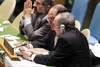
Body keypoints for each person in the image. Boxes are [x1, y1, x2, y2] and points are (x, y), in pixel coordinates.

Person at [19, 12, 92, 67]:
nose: (53, 28)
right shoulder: (74, 32)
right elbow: (59, 54)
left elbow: (52, 60)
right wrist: (43, 52)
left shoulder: (66, 39)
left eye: (55, 25)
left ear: (62, 27)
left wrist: (31, 56)